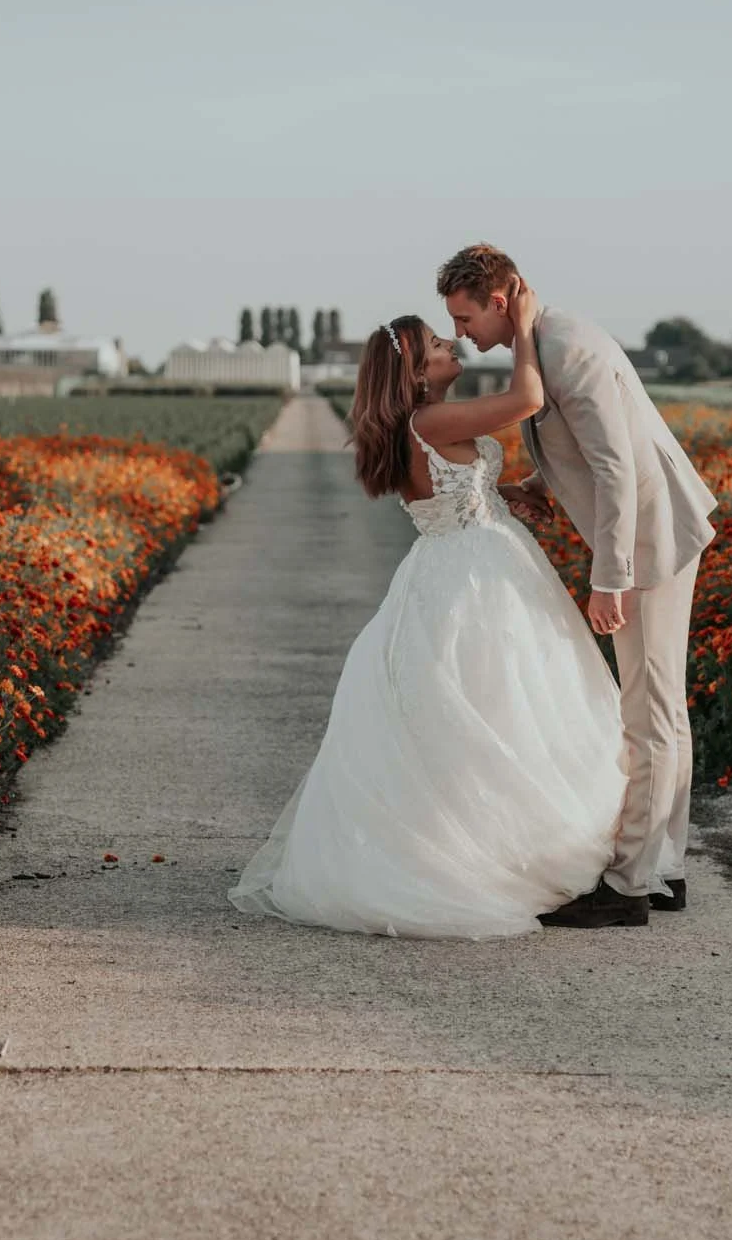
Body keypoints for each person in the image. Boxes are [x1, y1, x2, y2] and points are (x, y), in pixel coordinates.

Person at [227, 281, 639, 938]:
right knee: (503, 709)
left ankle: (508, 843)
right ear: (418, 375)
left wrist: (505, 493)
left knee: (496, 713)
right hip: (475, 571)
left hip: (464, 558)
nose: (453, 344)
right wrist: (526, 325)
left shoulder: (425, 427)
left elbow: (456, 485)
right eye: (439, 344)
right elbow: (529, 398)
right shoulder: (429, 421)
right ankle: (515, 855)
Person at [439, 243, 717, 925]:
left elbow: (617, 468)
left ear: (499, 300)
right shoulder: (549, 340)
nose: (461, 335)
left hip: (650, 539)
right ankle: (665, 866)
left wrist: (610, 578)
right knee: (663, 706)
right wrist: (541, 484)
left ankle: (627, 886)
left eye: (466, 317)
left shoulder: (564, 348)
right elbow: (588, 450)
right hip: (655, 529)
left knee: (646, 713)